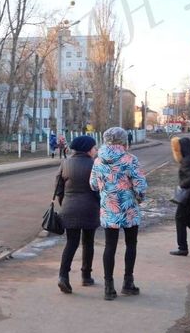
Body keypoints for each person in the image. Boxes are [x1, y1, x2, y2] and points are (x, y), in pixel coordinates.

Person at [89, 127, 148, 301]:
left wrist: (106, 190)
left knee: (110, 246)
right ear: (123, 141)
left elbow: (92, 184)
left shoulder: (98, 160)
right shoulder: (130, 159)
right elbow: (140, 186)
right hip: (128, 208)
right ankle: (128, 283)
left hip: (109, 208)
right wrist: (139, 197)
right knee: (131, 244)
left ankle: (108, 287)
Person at [53, 135, 100, 294]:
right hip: (90, 209)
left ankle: (63, 276)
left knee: (71, 243)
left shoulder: (65, 163)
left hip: (69, 208)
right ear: (87, 149)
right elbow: (99, 189)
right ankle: (86, 276)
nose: (96, 150)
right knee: (88, 242)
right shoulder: (95, 165)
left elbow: (58, 189)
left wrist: (65, 204)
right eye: (94, 147)